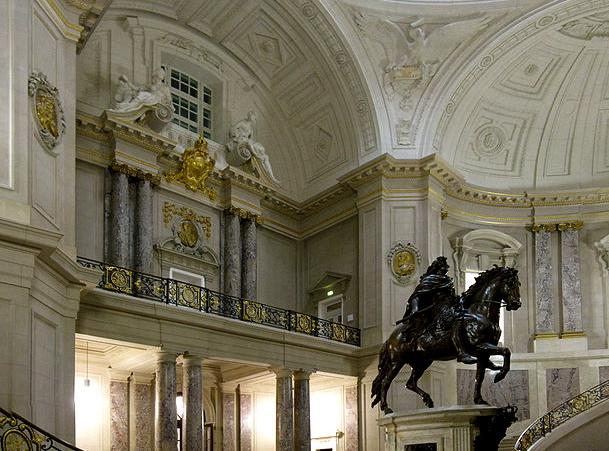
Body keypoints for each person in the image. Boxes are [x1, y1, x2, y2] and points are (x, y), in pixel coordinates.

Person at [397, 256, 477, 364]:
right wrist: (415, 309)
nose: (446, 269)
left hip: (449, 305)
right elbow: (417, 295)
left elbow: (452, 296)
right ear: (438, 268)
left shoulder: (448, 281)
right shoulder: (429, 280)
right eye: (444, 267)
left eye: (446, 268)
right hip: (436, 308)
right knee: (455, 319)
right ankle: (461, 352)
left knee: (463, 317)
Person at [226, 111, 279, 183]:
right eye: (253, 116)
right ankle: (256, 154)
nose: (253, 118)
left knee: (265, 156)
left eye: (254, 117)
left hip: (247, 142)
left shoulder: (251, 128)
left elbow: (251, 139)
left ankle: (271, 177)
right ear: (249, 116)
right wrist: (236, 135)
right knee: (250, 145)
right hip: (241, 141)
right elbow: (233, 129)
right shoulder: (243, 122)